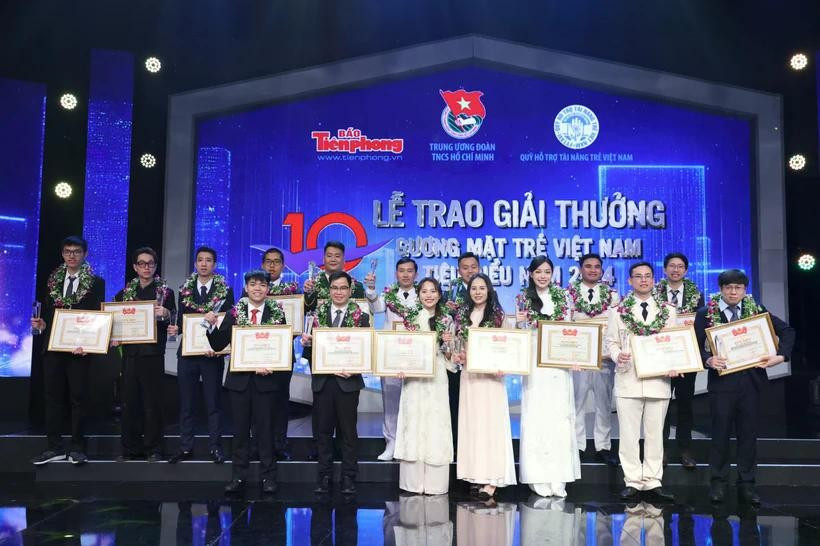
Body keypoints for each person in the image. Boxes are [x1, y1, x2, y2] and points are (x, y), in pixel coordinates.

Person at [694, 269, 795, 505]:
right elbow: (693, 347)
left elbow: (788, 331)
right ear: (720, 289)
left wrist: (780, 357)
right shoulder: (706, 314)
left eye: (738, 287)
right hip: (722, 385)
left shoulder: (756, 310)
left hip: (751, 383)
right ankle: (717, 484)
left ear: (744, 290)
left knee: (748, 436)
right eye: (728, 287)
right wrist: (708, 360)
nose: (733, 292)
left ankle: (747, 484)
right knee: (719, 435)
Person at [206, 269, 286, 494]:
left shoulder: (276, 312)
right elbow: (218, 344)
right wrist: (211, 325)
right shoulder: (234, 312)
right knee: (240, 431)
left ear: (268, 289)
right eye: (253, 284)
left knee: (265, 430)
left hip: (266, 380)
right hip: (239, 381)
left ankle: (268, 477)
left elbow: (282, 346)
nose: (257, 288)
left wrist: (272, 365)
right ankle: (238, 476)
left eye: (262, 284)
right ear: (246, 287)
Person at [606, 261, 678, 502]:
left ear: (654, 280)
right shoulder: (617, 311)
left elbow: (674, 344)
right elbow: (611, 342)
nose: (643, 280)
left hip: (658, 380)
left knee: (655, 432)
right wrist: (618, 355)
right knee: (628, 433)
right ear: (630, 281)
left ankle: (653, 480)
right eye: (638, 277)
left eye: (648, 276)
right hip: (629, 378)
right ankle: (633, 480)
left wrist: (675, 364)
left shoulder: (668, 310)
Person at [31, 236, 105, 466]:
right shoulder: (53, 280)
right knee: (52, 397)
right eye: (67, 251)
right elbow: (50, 316)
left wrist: (89, 343)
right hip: (53, 346)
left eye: (76, 251)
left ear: (85, 254)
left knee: (78, 398)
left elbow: (97, 316)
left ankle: (77, 447)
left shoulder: (95, 282)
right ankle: (54, 447)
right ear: (62, 254)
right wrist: (42, 325)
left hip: (79, 349)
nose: (72, 255)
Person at [516, 256, 581, 498]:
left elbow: (570, 329)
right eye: (538, 272)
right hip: (535, 360)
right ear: (531, 274)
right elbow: (521, 332)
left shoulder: (564, 296)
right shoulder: (523, 297)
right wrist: (519, 323)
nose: (543, 276)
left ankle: (558, 475)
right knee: (537, 415)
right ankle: (538, 475)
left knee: (558, 416)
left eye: (547, 271)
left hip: (557, 360)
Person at [301, 271, 371, 495]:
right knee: (322, 433)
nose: (339, 292)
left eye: (343, 288)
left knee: (348, 433)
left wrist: (354, 369)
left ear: (350, 291)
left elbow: (366, 351)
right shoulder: (316, 315)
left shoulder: (361, 316)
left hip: (348, 382)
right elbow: (308, 353)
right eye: (335, 288)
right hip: (323, 381)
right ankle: (324, 477)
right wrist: (308, 343)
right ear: (329, 290)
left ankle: (349, 477)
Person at [167, 246, 234, 464]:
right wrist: (176, 328)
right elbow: (181, 321)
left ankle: (215, 447)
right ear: (195, 264)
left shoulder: (225, 290)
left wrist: (220, 348)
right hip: (188, 352)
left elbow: (226, 322)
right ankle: (186, 447)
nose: (204, 264)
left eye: (208, 260)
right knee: (186, 402)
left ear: (215, 265)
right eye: (200, 260)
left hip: (212, 354)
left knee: (213, 402)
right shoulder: (184, 289)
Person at [453, 273, 515, 500]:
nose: (477, 292)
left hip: (491, 379)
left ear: (489, 290)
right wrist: (458, 355)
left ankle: (492, 480)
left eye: (482, 288)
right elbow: (458, 346)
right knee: (474, 425)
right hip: (470, 376)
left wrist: (503, 365)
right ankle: (476, 474)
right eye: (473, 288)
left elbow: (508, 345)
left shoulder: (499, 316)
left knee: (491, 426)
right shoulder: (462, 315)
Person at [393, 277, 455, 494]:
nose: (429, 295)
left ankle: (436, 484)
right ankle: (412, 482)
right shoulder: (410, 318)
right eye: (424, 292)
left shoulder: (447, 319)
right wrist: (399, 365)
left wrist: (448, 344)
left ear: (439, 295)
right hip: (414, 377)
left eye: (433, 291)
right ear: (418, 295)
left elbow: (452, 358)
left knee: (435, 422)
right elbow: (401, 349)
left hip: (437, 375)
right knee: (414, 420)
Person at [114, 247, 175, 462]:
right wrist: (113, 335)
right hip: (130, 354)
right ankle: (129, 448)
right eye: (141, 263)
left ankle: (153, 449)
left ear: (156, 267)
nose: (146, 267)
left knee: (152, 403)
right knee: (129, 403)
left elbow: (173, 317)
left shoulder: (165, 293)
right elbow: (115, 322)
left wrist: (167, 313)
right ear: (134, 267)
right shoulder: (123, 294)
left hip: (152, 354)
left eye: (150, 263)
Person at [364, 256, 419, 461]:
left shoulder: (423, 294)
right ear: (396, 274)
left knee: (415, 400)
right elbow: (376, 308)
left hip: (415, 355)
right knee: (391, 399)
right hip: (392, 354)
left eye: (409, 270)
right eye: (401, 271)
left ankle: (412, 442)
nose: (405, 274)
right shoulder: (389, 294)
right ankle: (391, 442)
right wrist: (370, 289)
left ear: (416, 274)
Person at [568, 253, 619, 466]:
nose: (592, 270)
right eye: (588, 266)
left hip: (604, 358)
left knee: (603, 404)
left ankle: (603, 446)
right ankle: (577, 446)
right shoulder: (568, 294)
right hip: (578, 359)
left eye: (597, 267)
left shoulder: (613, 295)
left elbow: (616, 325)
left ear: (601, 270)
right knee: (576, 403)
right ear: (580, 269)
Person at [657, 252, 704, 468]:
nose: (676, 270)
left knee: (685, 404)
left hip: (686, 357)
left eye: (680, 266)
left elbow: (701, 326)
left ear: (686, 270)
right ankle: (661, 450)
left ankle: (685, 450)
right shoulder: (654, 293)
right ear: (665, 269)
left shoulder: (697, 295)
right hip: (661, 356)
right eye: (672, 266)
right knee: (662, 404)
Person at [258, 247, 300, 460]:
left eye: (276, 262)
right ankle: (259, 444)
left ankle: (279, 444)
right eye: (268, 261)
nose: (272, 265)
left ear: (283, 266)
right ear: (262, 264)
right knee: (259, 403)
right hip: (256, 356)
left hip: (283, 354)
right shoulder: (252, 290)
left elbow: (297, 323)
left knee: (281, 401)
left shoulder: (291, 291)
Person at [443, 251, 481, 454]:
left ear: (479, 268)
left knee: (476, 408)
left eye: (473, 267)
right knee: (455, 404)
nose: (469, 271)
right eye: (465, 268)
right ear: (459, 270)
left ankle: (475, 449)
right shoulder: (450, 292)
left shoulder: (486, 291)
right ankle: (457, 448)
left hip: (479, 359)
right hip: (456, 358)